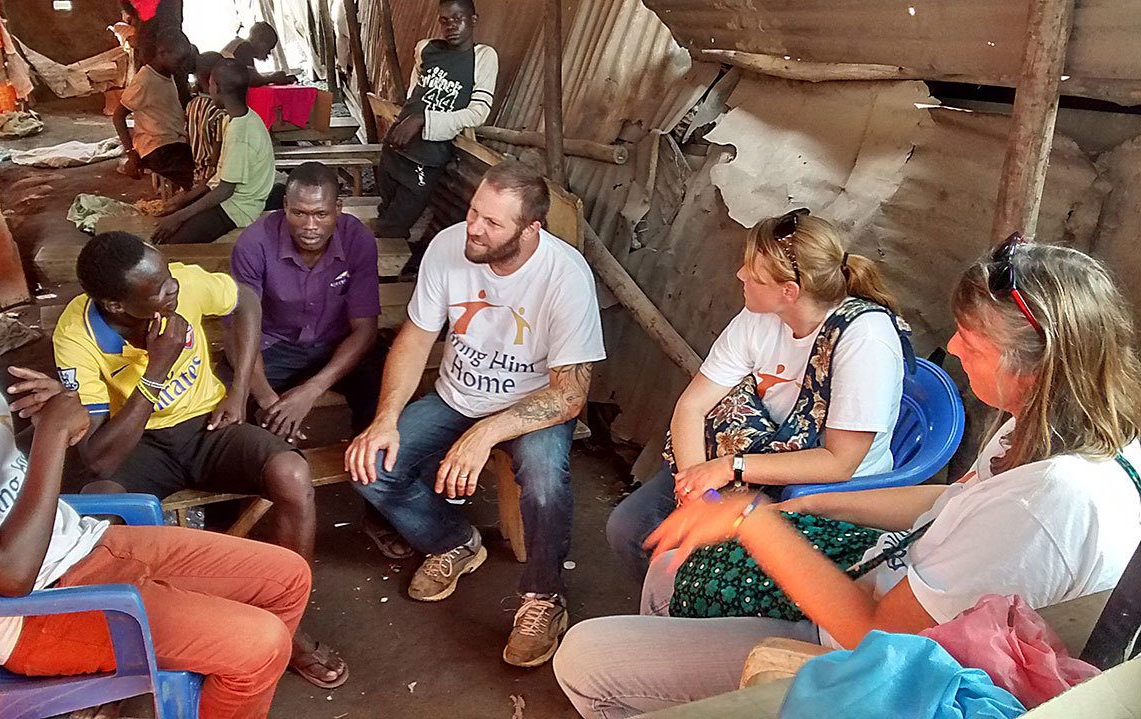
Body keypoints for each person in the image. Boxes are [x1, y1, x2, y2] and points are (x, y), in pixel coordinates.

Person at [554, 238, 1141, 718]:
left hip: (876, 669)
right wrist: (826, 507)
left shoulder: (1044, 505)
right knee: (668, 564)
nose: (955, 348)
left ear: (1032, 365)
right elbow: (956, 500)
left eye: (974, 341)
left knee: (583, 655)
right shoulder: (1042, 432)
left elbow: (876, 635)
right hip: (885, 577)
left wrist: (747, 515)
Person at [0, 241, 312, 717]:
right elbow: (11, 576)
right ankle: (230, 667)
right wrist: (52, 436)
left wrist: (48, 414)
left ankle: (215, 674)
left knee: (288, 577)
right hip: (33, 614)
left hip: (83, 544)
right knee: (259, 645)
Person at [52, 231, 348, 688]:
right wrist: (155, 370)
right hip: (140, 445)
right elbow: (98, 459)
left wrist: (239, 388)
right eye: (160, 289)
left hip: (209, 429)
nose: (174, 288)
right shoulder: (77, 337)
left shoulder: (182, 283)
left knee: (292, 472)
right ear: (116, 304)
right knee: (102, 509)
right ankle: (146, 642)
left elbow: (245, 301)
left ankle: (287, 625)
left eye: (170, 277)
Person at [345, 160, 606, 667]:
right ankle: (455, 540)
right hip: (456, 397)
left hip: (531, 407)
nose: (474, 228)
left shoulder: (565, 275)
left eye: (492, 223)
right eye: (473, 212)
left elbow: (570, 395)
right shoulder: (449, 247)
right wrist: (384, 419)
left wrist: (486, 432)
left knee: (546, 480)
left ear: (531, 230)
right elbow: (417, 337)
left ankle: (543, 597)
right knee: (370, 467)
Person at [606, 212, 908, 583]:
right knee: (631, 528)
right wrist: (694, 486)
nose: (740, 275)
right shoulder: (759, 317)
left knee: (712, 566)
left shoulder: (864, 340)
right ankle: (675, 615)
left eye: (753, 271)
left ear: (789, 292)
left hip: (820, 486)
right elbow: (692, 405)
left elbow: (838, 463)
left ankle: (711, 624)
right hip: (752, 458)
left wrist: (729, 467)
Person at [230, 161, 412, 559]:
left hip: (337, 346)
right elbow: (243, 334)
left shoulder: (358, 240)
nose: (309, 225)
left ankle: (379, 506)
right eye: (298, 213)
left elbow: (364, 329)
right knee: (231, 401)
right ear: (284, 208)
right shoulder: (254, 244)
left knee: (384, 392)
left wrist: (309, 392)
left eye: (320, 213)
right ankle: (227, 515)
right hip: (273, 347)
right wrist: (271, 404)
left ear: (338, 209)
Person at [374, 0, 498, 241]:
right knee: (385, 209)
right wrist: (407, 118)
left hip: (428, 156)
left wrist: (423, 120)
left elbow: (478, 112)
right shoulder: (427, 48)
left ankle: (385, 268)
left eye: (458, 19)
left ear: (473, 20)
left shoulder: (483, 57)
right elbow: (415, 91)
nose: (451, 25)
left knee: (396, 224)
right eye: (445, 20)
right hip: (397, 144)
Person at [154, 58, 275, 245]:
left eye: (210, 84)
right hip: (230, 199)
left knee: (171, 243)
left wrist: (180, 217)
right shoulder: (237, 119)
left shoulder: (241, 132)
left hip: (238, 209)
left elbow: (225, 190)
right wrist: (184, 200)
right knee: (171, 221)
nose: (208, 89)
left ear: (216, 88)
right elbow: (219, 179)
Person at [114, 30, 194, 191]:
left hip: (173, 142)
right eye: (179, 60)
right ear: (162, 53)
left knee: (205, 160)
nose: (182, 65)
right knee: (199, 176)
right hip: (157, 148)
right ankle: (183, 207)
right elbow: (118, 116)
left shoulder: (167, 74)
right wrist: (131, 154)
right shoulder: (145, 80)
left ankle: (184, 200)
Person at [186, 51, 229, 188]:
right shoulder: (219, 112)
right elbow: (217, 154)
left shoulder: (191, 105)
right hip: (212, 175)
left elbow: (188, 137)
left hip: (196, 171)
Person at [222, 21, 294, 86]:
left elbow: (250, 76)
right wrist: (273, 78)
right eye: (269, 47)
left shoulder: (237, 43)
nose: (269, 53)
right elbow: (252, 80)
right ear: (259, 39)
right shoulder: (244, 47)